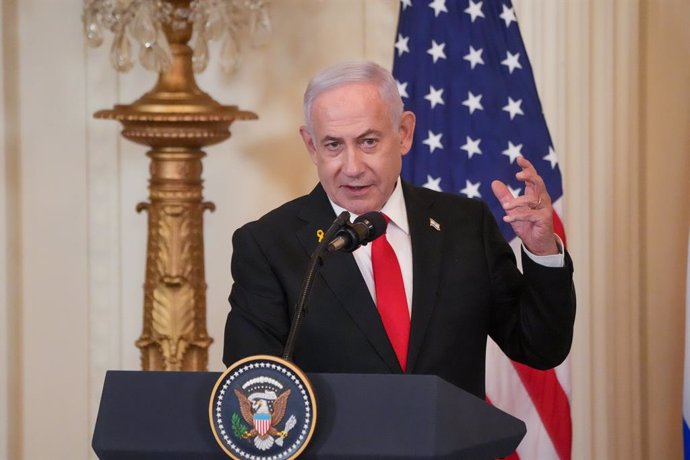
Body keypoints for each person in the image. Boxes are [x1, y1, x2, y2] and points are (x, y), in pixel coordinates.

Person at [223, 60, 575, 399]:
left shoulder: (466, 225)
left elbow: (540, 348)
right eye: (333, 145)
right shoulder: (269, 245)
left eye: (368, 142)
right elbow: (253, 386)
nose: (352, 167)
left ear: (404, 133)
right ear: (312, 145)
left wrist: (542, 251)